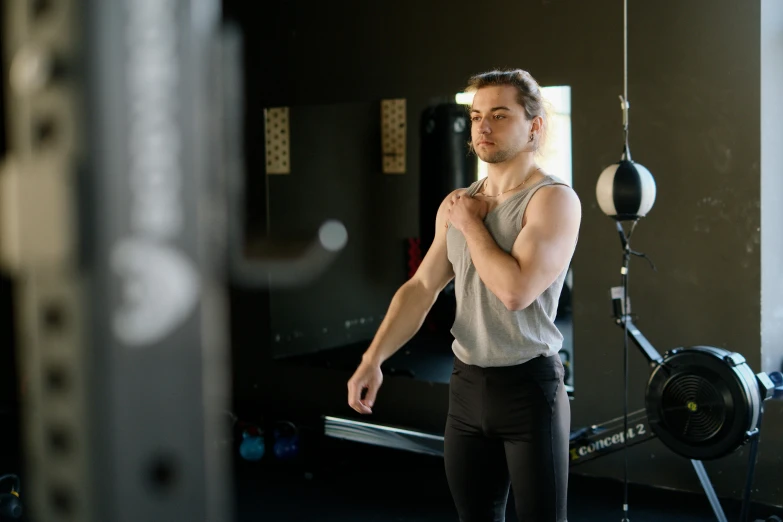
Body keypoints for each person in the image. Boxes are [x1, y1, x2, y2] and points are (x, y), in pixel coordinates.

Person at [347, 69, 581, 522]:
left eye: (498, 115)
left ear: (534, 126)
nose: (483, 128)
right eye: (476, 117)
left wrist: (472, 225)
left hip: (530, 390)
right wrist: (372, 359)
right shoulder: (457, 202)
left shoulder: (551, 200)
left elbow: (515, 292)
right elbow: (421, 287)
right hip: (467, 388)